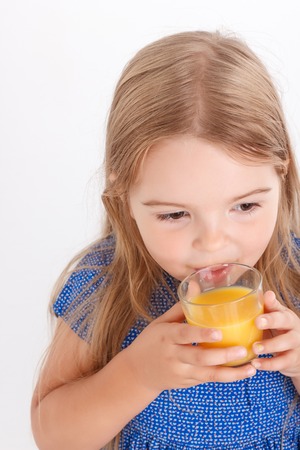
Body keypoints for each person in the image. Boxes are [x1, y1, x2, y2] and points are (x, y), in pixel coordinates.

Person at [31, 30, 300, 449]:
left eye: (245, 207)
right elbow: (54, 438)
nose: (213, 244)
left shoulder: (295, 273)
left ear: (281, 173)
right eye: (175, 214)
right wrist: (137, 374)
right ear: (124, 197)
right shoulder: (105, 285)